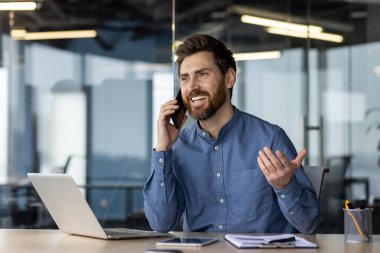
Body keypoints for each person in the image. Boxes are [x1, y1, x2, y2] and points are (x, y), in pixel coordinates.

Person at [143, 34, 321, 234]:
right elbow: (161, 224)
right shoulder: (178, 146)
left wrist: (285, 186)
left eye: (202, 74)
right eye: (185, 78)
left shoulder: (270, 139)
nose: (192, 86)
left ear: (229, 78)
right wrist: (163, 149)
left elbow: (309, 225)